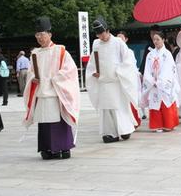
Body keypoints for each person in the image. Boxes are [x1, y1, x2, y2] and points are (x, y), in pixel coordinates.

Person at [23, 17, 80, 159]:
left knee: (59, 122)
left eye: (42, 34)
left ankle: (64, 147)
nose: (40, 38)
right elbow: (30, 72)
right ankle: (46, 148)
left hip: (56, 92)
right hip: (41, 93)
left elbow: (70, 70)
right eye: (37, 35)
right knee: (44, 122)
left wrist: (56, 79)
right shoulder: (35, 53)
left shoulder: (60, 51)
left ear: (50, 34)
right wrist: (32, 79)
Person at [86, 17, 141, 143]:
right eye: (98, 34)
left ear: (108, 30)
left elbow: (128, 60)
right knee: (106, 109)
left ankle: (124, 129)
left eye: (103, 33)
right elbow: (92, 62)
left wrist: (119, 71)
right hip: (103, 82)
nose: (101, 37)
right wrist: (93, 72)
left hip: (116, 81)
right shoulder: (96, 44)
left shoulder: (118, 42)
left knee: (119, 107)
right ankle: (109, 133)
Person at [142, 31, 179, 132]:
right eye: (154, 39)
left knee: (165, 101)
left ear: (163, 40)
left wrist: (160, 81)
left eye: (158, 39)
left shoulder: (167, 54)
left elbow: (169, 69)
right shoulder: (150, 55)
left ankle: (168, 124)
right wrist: (150, 80)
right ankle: (157, 125)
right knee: (155, 102)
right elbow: (147, 69)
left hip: (163, 83)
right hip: (153, 83)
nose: (155, 41)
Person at [117, 30, 147, 120]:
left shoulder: (129, 52)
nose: (119, 40)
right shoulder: (114, 52)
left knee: (133, 97)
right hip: (119, 78)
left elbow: (132, 65)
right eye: (117, 38)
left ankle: (138, 115)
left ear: (126, 39)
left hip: (129, 78)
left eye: (121, 38)